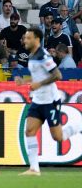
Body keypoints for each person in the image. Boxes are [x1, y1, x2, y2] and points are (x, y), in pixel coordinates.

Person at [21, 26, 82, 175]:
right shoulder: (32, 56)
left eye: (28, 38)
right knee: (29, 131)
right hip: (38, 101)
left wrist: (39, 84)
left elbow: (58, 75)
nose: (25, 41)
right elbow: (38, 76)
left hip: (50, 101)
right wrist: (24, 81)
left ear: (36, 39)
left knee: (58, 137)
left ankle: (79, 126)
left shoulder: (44, 56)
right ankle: (34, 168)